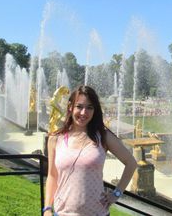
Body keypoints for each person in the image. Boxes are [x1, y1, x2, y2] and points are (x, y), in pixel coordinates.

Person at [43, 85, 137, 216]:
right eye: (79, 106)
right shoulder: (55, 139)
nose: (83, 113)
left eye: (89, 107)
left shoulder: (103, 136)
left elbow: (131, 163)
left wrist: (116, 193)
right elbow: (52, 176)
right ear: (70, 107)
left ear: (95, 111)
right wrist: (47, 208)